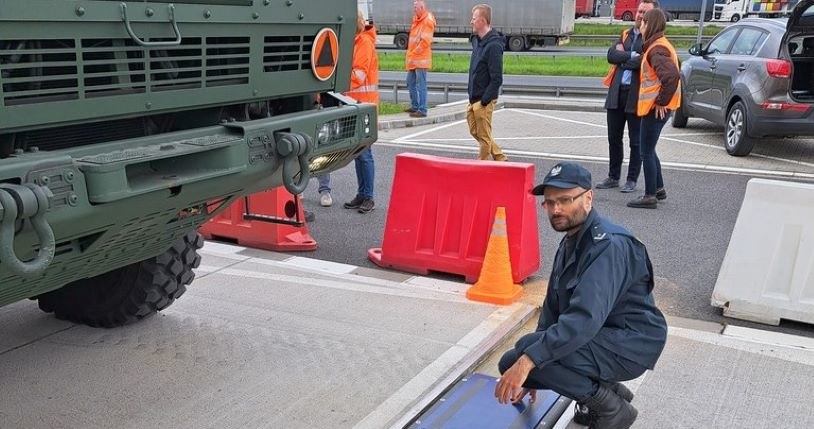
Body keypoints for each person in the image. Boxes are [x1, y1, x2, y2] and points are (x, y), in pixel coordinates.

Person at [495, 161, 667, 429]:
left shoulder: (607, 246)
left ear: (588, 198)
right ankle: (612, 392)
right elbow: (553, 309)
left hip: (630, 342)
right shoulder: (571, 240)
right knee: (511, 361)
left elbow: (583, 320)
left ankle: (610, 408)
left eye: (565, 200)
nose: (556, 209)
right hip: (602, 337)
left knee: (530, 356)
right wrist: (530, 374)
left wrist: (531, 362)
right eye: (549, 203)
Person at [596, 0, 657, 194]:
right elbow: (611, 55)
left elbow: (643, 62)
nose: (640, 15)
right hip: (616, 94)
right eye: (639, 11)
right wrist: (632, 56)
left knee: (636, 141)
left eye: (645, 13)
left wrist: (626, 58)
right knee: (613, 138)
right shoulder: (625, 34)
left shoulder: (653, 40)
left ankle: (631, 179)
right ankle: (613, 176)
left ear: (653, 17)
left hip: (636, 97)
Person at [627, 8, 680, 209]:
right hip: (658, 107)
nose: (640, 23)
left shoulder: (657, 50)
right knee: (649, 148)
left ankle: (650, 196)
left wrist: (660, 101)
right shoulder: (659, 46)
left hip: (655, 108)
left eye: (644, 21)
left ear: (650, 25)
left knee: (645, 151)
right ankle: (658, 188)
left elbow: (672, 76)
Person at [342, 10, 379, 214]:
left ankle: (368, 197)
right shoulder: (357, 42)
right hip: (356, 104)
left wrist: (337, 79)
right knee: (359, 152)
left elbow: (358, 75)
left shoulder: (363, 43)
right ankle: (363, 194)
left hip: (363, 105)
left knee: (364, 153)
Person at [467, 4, 507, 162]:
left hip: (484, 99)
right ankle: (500, 157)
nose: (471, 21)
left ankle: (481, 167)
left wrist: (484, 101)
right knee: (475, 131)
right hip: (473, 97)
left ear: (482, 21)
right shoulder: (477, 41)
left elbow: (497, 78)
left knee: (484, 138)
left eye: (474, 19)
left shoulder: (494, 46)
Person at [405, 0, 435, 118]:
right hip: (414, 59)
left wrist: (414, 52)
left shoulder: (427, 21)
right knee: (410, 82)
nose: (414, 10)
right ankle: (415, 106)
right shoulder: (417, 19)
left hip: (420, 59)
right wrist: (412, 54)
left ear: (422, 8)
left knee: (420, 84)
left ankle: (422, 109)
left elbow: (426, 41)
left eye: (415, 7)